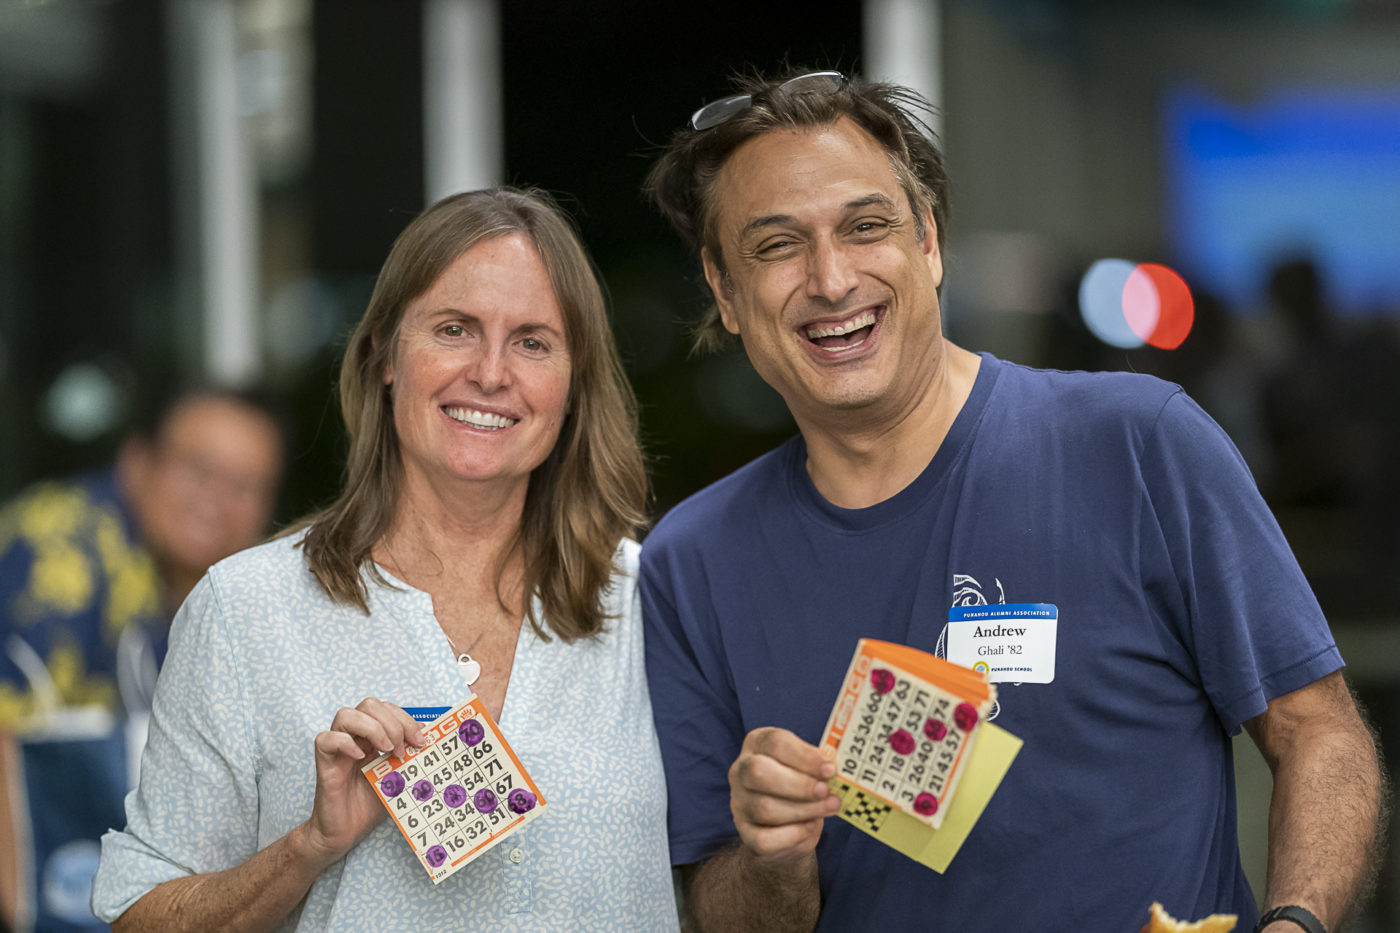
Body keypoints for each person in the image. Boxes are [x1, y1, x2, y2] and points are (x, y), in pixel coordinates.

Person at [639, 68, 1387, 933]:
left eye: (866, 226)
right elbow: (724, 912)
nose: (832, 278)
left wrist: (1295, 924)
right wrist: (773, 855)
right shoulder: (692, 562)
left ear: (928, 240)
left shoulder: (1139, 444)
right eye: (776, 245)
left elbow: (1319, 732)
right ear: (726, 291)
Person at [90, 187, 678, 932]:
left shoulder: (656, 602)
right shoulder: (247, 609)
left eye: (533, 342)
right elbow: (139, 914)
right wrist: (308, 847)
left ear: (574, 383)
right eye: (455, 329)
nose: (490, 373)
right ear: (384, 353)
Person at [0, 385, 285, 933]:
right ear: (136, 463)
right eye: (197, 470)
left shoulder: (204, 590)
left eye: (244, 486)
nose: (216, 500)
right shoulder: (59, 560)